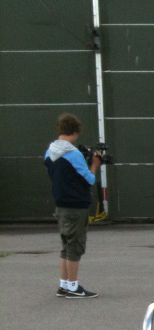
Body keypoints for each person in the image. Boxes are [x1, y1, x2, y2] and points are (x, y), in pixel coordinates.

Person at [44, 112, 103, 298]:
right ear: (75, 132)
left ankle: (64, 284)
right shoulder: (73, 153)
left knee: (66, 246)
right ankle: (73, 286)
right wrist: (94, 165)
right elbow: (90, 179)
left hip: (61, 204)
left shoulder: (50, 151)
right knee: (75, 246)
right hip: (76, 205)